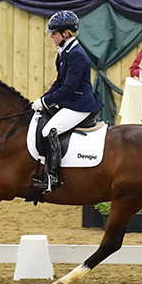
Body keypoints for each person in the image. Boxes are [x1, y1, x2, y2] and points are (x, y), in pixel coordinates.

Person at [31, 10, 104, 194]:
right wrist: (42, 99)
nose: (52, 37)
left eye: (54, 33)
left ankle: (53, 178)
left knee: (49, 131)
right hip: (71, 103)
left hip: (80, 105)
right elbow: (59, 83)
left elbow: (69, 88)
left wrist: (46, 101)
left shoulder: (77, 54)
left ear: (66, 33)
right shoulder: (65, 52)